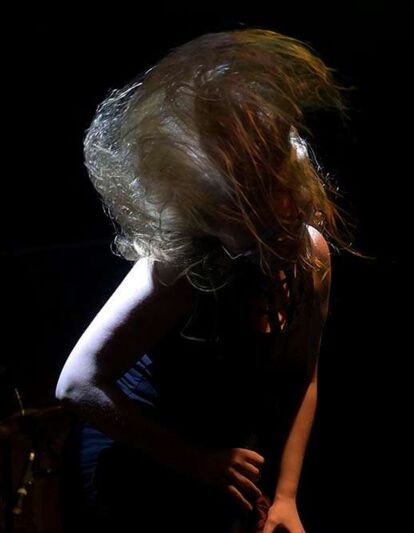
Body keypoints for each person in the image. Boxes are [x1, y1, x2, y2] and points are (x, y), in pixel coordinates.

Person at [56, 29, 348, 533]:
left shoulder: (312, 255)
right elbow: (77, 383)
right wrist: (198, 462)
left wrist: (286, 496)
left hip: (218, 457)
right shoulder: (181, 265)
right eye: (247, 230)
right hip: (136, 464)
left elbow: (305, 378)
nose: (270, 241)